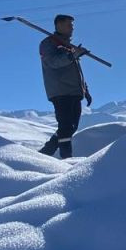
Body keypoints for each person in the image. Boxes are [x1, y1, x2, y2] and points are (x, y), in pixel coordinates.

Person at [38, 14, 93, 159]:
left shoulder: (69, 47)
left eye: (72, 26)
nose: (72, 28)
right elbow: (53, 62)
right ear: (59, 25)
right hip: (60, 91)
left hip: (75, 92)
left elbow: (76, 72)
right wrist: (72, 55)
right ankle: (66, 159)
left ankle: (45, 153)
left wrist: (85, 90)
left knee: (71, 127)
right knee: (66, 126)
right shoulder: (48, 43)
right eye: (69, 25)